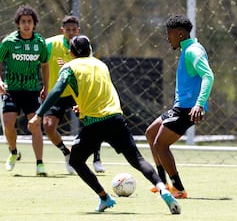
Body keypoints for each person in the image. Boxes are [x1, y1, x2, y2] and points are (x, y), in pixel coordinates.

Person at [28, 35, 181, 214]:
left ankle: (104, 197)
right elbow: (96, 90)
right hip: (116, 118)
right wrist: (82, 107)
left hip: (94, 124)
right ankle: (163, 188)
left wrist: (38, 115)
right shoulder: (101, 65)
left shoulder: (69, 68)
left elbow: (56, 91)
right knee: (138, 160)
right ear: (89, 50)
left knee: (76, 161)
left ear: (71, 52)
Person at [145, 14, 214, 198]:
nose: (168, 38)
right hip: (180, 107)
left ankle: (179, 189)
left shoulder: (193, 51)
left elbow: (209, 76)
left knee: (160, 144)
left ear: (181, 34)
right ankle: (163, 184)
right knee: (151, 134)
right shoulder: (187, 49)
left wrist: (199, 104)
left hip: (188, 109)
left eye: (170, 34)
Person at [44, 15, 105, 174]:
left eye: (74, 30)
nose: (71, 33)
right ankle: (66, 153)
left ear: (78, 31)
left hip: (77, 93)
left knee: (93, 121)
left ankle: (96, 157)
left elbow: (88, 67)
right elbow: (39, 60)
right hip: (57, 93)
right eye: (67, 30)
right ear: (62, 30)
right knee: (48, 127)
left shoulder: (84, 47)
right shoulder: (50, 44)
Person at [0, 5, 49, 176]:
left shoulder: (40, 43)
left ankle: (40, 164)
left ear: (34, 24)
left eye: (29, 21)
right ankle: (13, 152)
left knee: (35, 125)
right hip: (11, 90)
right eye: (23, 22)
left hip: (31, 91)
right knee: (7, 124)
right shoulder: (8, 42)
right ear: (18, 24)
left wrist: (46, 87)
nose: (26, 24)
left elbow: (45, 65)